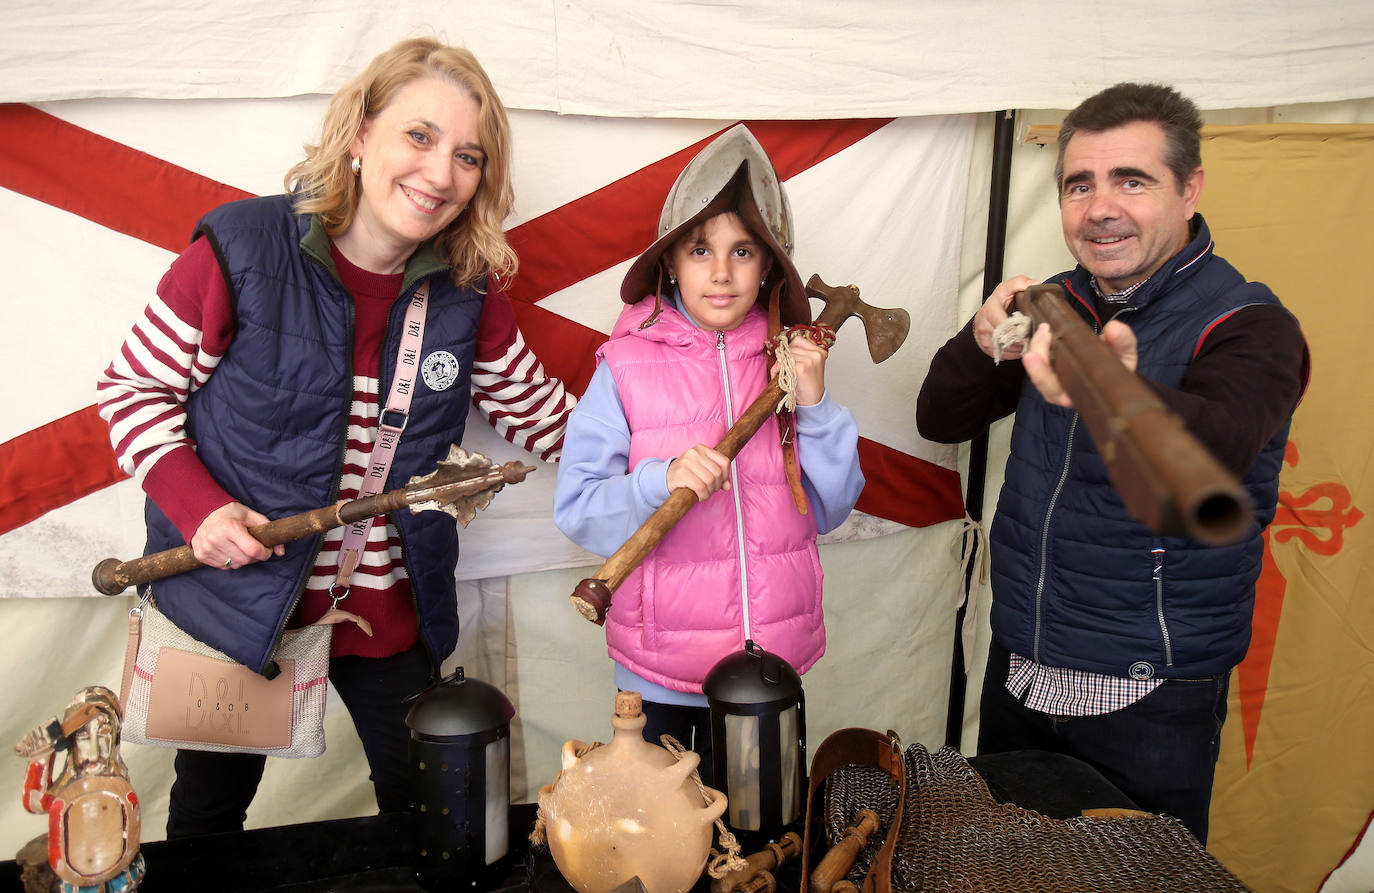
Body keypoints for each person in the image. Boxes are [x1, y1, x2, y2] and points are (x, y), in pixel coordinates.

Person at [96, 38, 576, 837]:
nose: (440, 173)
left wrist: (666, 446)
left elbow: (540, 413)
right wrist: (202, 510)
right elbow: (134, 388)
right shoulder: (241, 248)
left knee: (436, 822)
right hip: (240, 614)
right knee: (207, 834)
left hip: (391, 613)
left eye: (467, 156)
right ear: (359, 135)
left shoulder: (468, 288)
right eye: (419, 136)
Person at [916, 83, 1307, 845]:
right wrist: (979, 337)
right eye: (1079, 184)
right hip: (1021, 665)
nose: (1100, 207)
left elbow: (1214, 446)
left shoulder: (1252, 325)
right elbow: (942, 418)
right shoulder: (1056, 299)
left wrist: (1120, 390)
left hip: (1149, 693)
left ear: (1190, 189)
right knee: (1003, 872)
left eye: (1132, 180)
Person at [553, 125, 865, 776]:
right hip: (660, 674)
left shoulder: (789, 360)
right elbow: (577, 507)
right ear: (669, 262)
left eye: (743, 251)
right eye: (699, 250)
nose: (721, 272)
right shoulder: (624, 367)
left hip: (769, 670)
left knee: (764, 845)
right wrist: (656, 481)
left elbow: (831, 508)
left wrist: (814, 404)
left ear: (770, 263)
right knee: (668, 850)